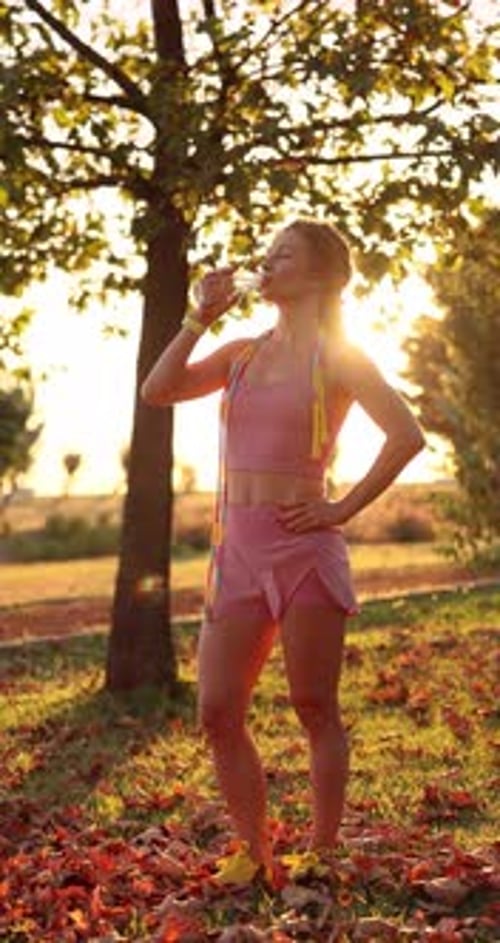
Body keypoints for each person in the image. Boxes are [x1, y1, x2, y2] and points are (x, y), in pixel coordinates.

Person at [141, 218, 425, 886]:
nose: (266, 264)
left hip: (304, 551)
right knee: (217, 710)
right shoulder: (239, 351)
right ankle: (254, 850)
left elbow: (406, 435)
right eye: (265, 254)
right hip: (234, 551)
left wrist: (339, 509)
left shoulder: (339, 355)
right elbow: (157, 390)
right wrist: (198, 316)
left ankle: (323, 851)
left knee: (313, 704)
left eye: (284, 255)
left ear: (322, 273)